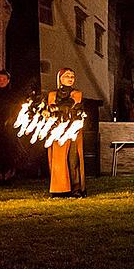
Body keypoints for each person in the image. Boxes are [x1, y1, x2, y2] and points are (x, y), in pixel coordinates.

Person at [46, 68, 86, 197]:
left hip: (72, 128)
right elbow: (50, 107)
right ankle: (59, 188)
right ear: (60, 78)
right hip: (57, 129)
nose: (70, 78)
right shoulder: (52, 94)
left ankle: (76, 189)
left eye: (72, 76)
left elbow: (72, 104)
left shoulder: (77, 93)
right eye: (67, 76)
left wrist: (56, 108)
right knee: (58, 159)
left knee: (73, 159)